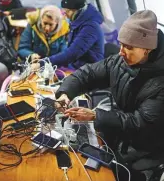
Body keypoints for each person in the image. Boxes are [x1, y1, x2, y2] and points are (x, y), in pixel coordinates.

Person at [56, 10, 164, 180]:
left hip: (144, 147)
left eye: (128, 47)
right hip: (121, 133)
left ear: (147, 49)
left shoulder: (160, 83)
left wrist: (95, 116)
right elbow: (88, 74)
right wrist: (65, 93)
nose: (121, 51)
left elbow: (139, 124)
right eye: (121, 44)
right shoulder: (120, 61)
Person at [31, 0, 104, 70]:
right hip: (77, 67)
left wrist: (42, 63)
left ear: (76, 10)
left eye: (67, 12)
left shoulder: (90, 27)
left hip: (89, 71)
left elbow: (72, 54)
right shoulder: (78, 23)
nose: (65, 16)